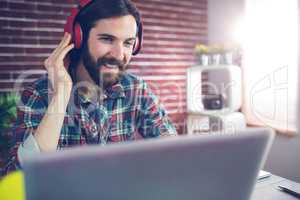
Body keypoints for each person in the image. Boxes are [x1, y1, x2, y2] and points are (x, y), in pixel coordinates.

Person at [4, 0, 177, 175]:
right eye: (107, 39)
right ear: (78, 38)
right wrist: (62, 94)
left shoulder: (136, 89)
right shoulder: (39, 95)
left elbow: (175, 152)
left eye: (128, 43)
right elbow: (17, 180)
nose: (119, 54)